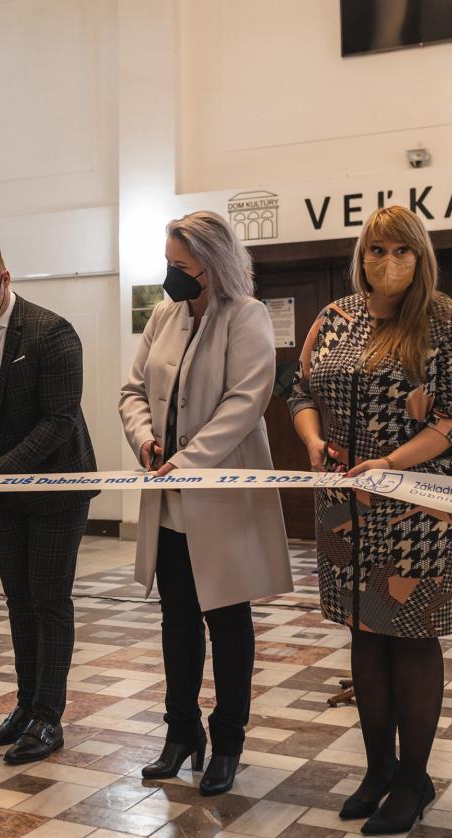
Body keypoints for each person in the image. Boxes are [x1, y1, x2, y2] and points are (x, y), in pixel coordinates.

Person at [289, 205, 452, 835]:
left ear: (421, 256)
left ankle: (413, 780)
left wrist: (391, 462)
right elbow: (300, 390)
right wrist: (313, 441)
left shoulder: (447, 322)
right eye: (376, 250)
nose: (388, 262)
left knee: (412, 637)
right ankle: (379, 769)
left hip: (420, 508)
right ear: (362, 257)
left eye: (402, 250)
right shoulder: (335, 317)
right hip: (345, 506)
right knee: (364, 634)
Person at [119, 211, 293, 795]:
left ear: (213, 265)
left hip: (220, 495)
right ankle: (181, 732)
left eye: (182, 265)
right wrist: (145, 439)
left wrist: (189, 460)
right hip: (169, 496)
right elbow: (133, 389)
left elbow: (247, 401)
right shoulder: (164, 316)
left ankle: (228, 740)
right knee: (177, 619)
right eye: (169, 262)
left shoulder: (247, 315)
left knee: (227, 621)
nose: (172, 274)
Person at [0, 238, 97, 765]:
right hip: (6, 488)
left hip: (58, 486)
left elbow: (59, 420)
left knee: (49, 601)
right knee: (18, 600)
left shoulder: (52, 332)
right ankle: (25, 708)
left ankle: (49, 718)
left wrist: (3, 466)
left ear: (5, 279)